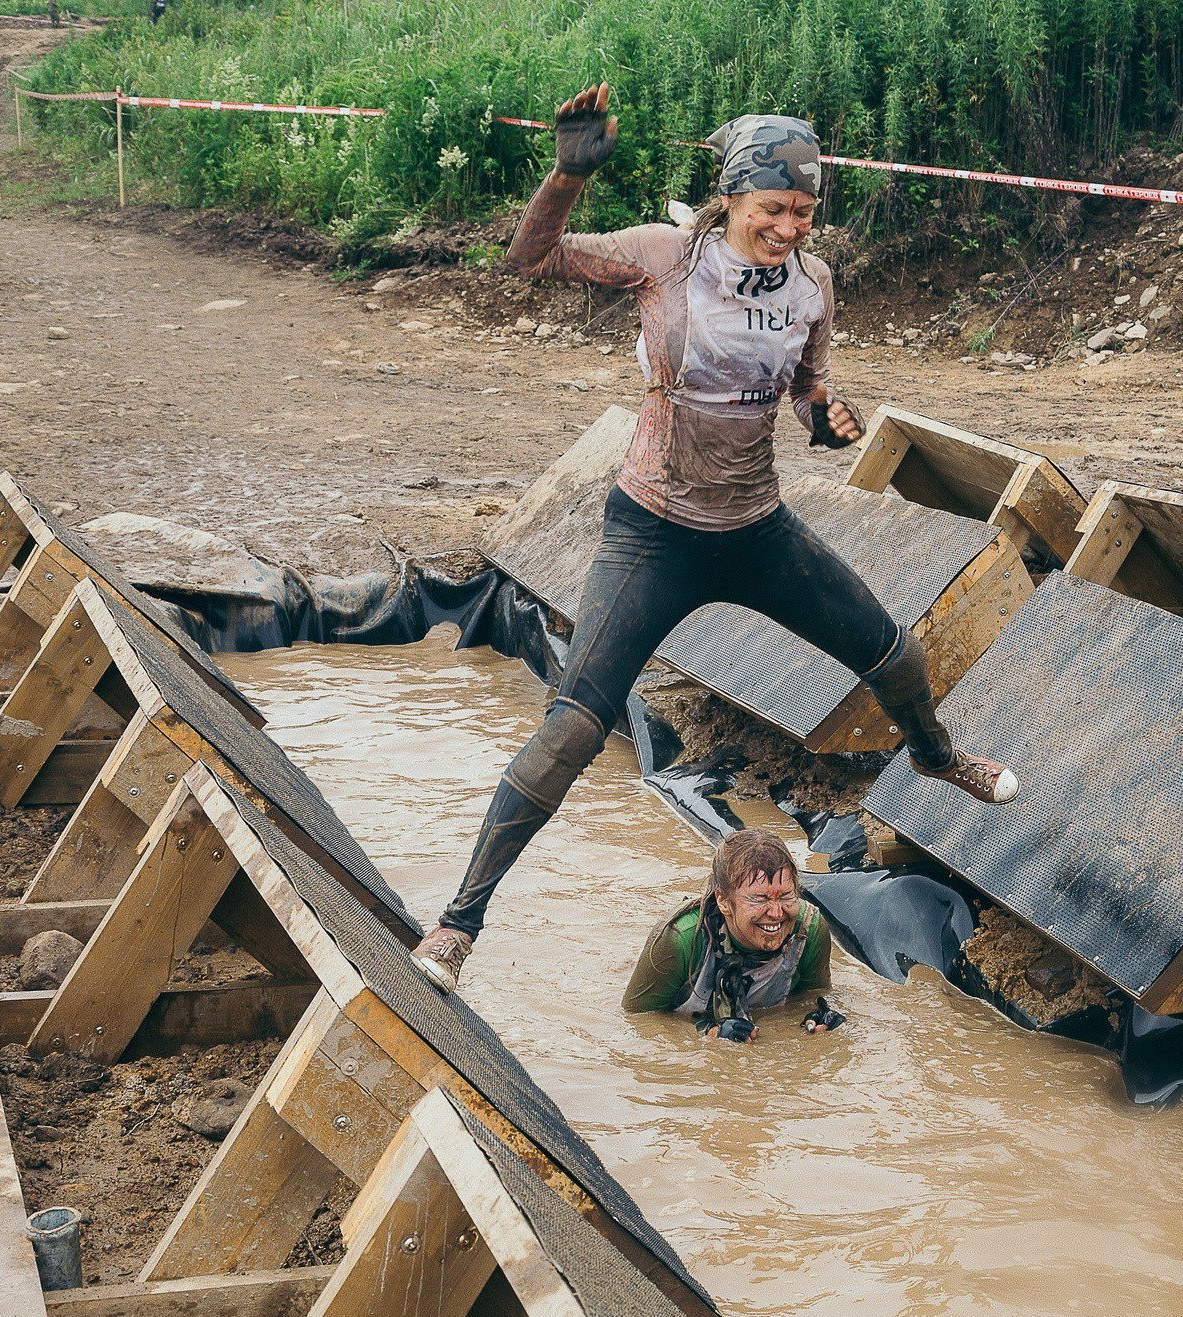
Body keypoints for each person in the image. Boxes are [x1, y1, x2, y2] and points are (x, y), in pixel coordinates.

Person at [410, 86, 1018, 994]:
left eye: (805, 211)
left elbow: (809, 386)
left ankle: (934, 755)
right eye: (774, 207)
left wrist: (827, 416)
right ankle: (457, 928)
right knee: (570, 734)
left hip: (755, 525)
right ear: (732, 197)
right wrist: (567, 176)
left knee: (891, 652)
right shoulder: (667, 258)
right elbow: (529, 258)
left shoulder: (814, 285)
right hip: (653, 533)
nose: (789, 228)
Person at [623, 829, 843, 1042]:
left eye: (786, 896)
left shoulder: (808, 931)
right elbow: (637, 1022)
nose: (777, 913)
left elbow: (812, 996)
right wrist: (708, 1034)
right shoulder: (679, 939)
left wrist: (818, 1016)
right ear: (723, 901)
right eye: (759, 899)